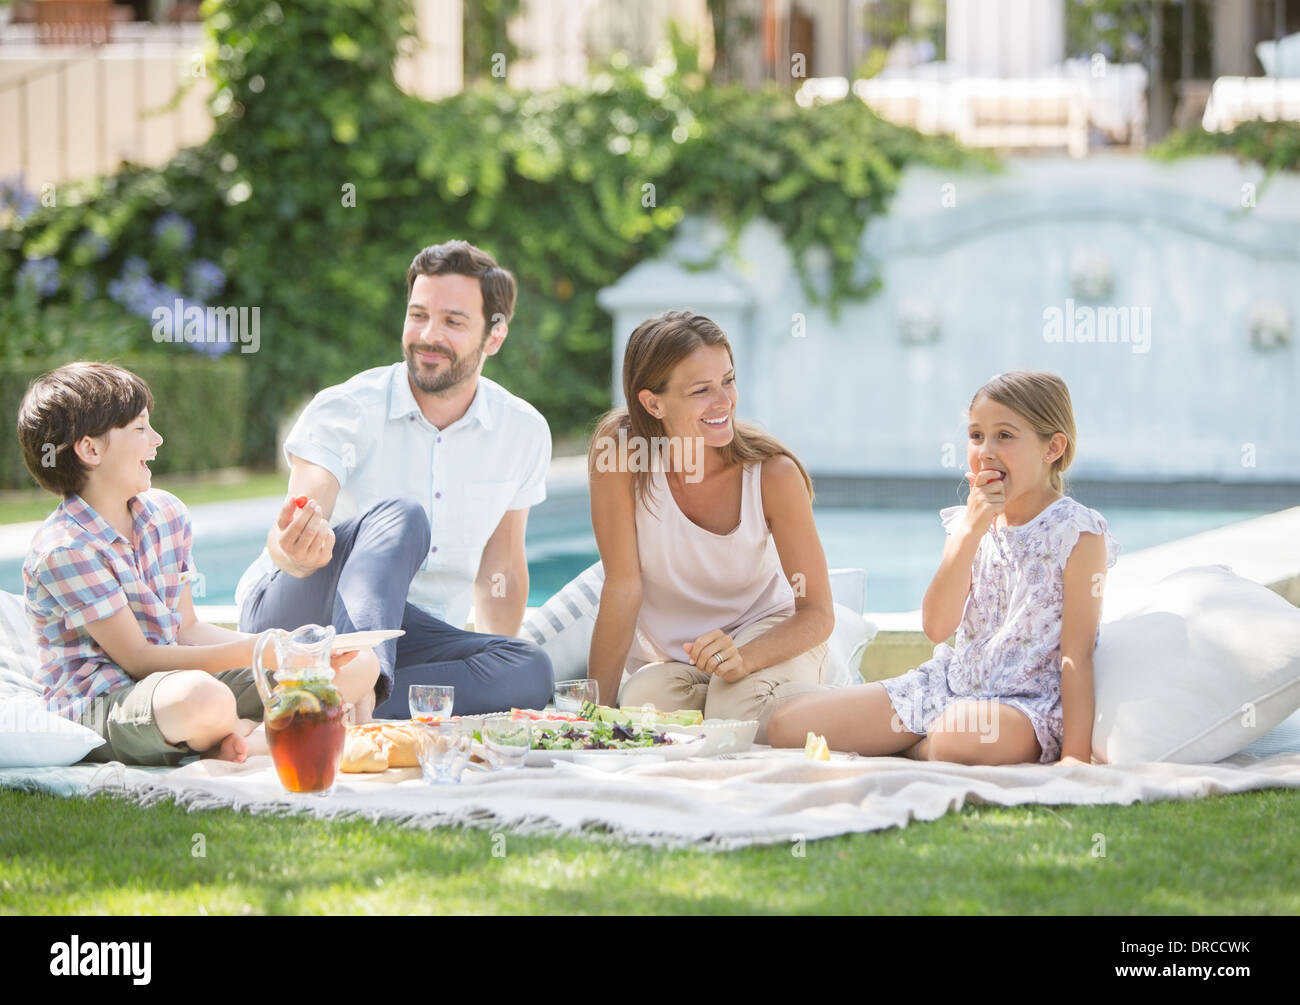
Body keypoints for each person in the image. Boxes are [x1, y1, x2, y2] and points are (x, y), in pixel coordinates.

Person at [235, 240, 554, 718]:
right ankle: (353, 687)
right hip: (303, 612)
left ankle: (323, 703)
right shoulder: (347, 407)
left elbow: (501, 568)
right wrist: (297, 546)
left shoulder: (522, 431)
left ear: (495, 336)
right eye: (417, 315)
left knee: (529, 669)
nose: (428, 335)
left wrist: (490, 653)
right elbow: (297, 526)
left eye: (452, 321)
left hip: (412, 634)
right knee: (402, 517)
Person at [16, 362, 377, 765]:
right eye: (140, 429)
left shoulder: (166, 514)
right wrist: (261, 650)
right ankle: (254, 730)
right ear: (90, 449)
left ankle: (245, 740)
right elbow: (138, 659)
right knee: (202, 699)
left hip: (176, 678)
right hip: (104, 701)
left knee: (360, 664)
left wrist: (291, 651)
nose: (156, 440)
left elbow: (186, 628)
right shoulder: (66, 550)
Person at [768, 371, 1118, 765]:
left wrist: (1074, 756)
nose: (985, 451)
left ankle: (909, 745)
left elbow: (1077, 654)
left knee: (957, 737)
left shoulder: (1078, 532)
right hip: (950, 688)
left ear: (1052, 447)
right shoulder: (967, 522)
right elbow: (936, 627)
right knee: (787, 726)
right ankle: (919, 746)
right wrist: (970, 531)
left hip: (1023, 710)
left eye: (1004, 435)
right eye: (976, 435)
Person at [586, 310, 835, 743]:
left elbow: (817, 613)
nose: (724, 402)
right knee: (643, 704)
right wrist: (592, 720)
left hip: (771, 632)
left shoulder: (772, 474)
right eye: (701, 390)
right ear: (653, 403)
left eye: (728, 380)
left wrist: (744, 657)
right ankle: (749, 699)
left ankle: (826, 695)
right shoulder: (621, 455)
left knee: (735, 709)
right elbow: (622, 587)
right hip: (687, 661)